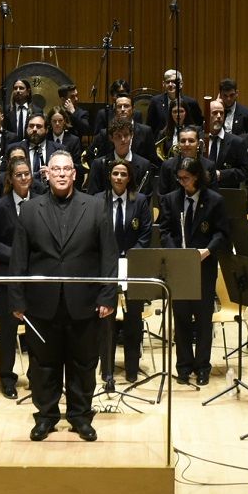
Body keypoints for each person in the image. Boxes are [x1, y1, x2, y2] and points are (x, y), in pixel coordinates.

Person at [6, 150, 116, 441]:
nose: (62, 174)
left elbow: (109, 256)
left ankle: (81, 416)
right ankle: (46, 416)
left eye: (67, 169)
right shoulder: (30, 209)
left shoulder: (95, 206)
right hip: (42, 303)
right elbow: (19, 258)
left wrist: (108, 296)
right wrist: (16, 299)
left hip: (85, 301)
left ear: (75, 174)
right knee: (43, 366)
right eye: (56, 169)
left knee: (83, 364)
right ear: (47, 174)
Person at [160, 155, 229, 385]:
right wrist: (175, 253)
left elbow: (222, 234)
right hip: (179, 267)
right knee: (180, 318)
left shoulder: (215, 201)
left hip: (204, 266)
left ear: (197, 177)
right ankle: (183, 366)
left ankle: (202, 367)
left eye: (186, 178)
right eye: (179, 178)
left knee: (202, 319)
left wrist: (206, 251)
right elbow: (165, 231)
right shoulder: (171, 200)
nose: (182, 183)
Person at [0, 156, 33, 397]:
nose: (24, 178)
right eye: (19, 175)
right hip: (8, 279)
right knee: (8, 330)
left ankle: (37, 375)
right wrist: (17, 255)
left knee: (35, 329)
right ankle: (7, 377)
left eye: (27, 174)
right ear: (11, 179)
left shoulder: (41, 203)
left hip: (35, 278)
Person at [98, 160, 151, 391]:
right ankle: (107, 369)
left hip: (132, 267)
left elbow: (146, 233)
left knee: (133, 320)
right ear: (109, 176)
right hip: (105, 268)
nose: (119, 178)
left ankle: (131, 368)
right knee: (105, 319)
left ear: (129, 178)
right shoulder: (98, 200)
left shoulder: (139, 201)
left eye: (123, 174)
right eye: (115, 173)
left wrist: (130, 257)